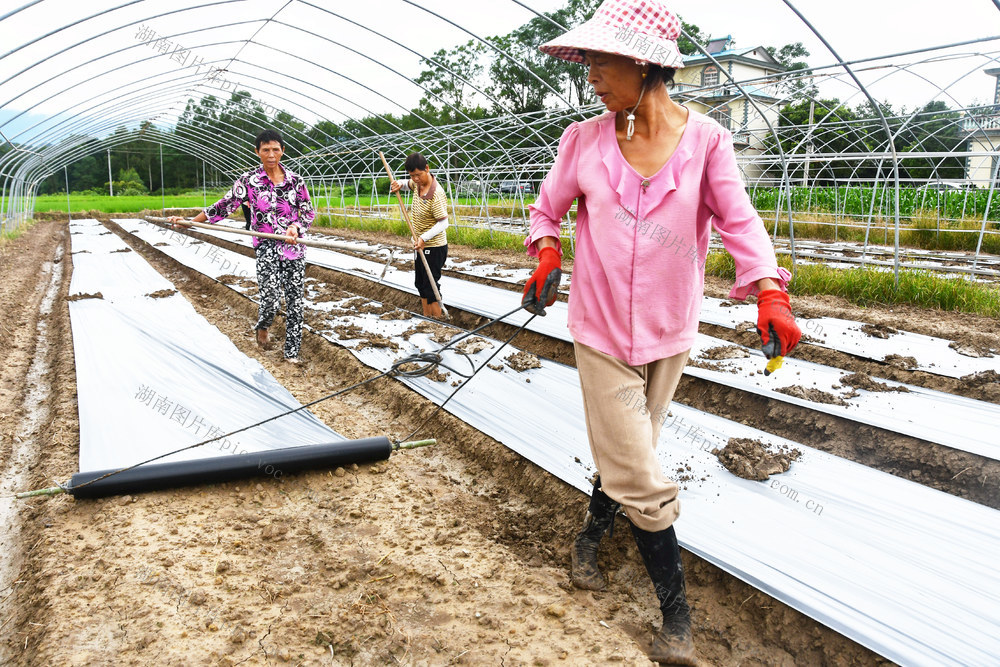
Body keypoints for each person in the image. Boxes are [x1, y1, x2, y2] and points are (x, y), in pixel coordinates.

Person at [521, 1, 801, 664]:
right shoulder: (583, 140)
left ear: (643, 63)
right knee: (643, 469)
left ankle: (590, 537)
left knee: (631, 449)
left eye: (599, 60)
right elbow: (545, 207)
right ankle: (678, 618)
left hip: (670, 331)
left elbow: (739, 219)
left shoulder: (706, 142)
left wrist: (769, 290)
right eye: (585, 60)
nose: (589, 74)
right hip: (599, 330)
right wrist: (547, 250)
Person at [169, 129, 315, 364]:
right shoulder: (249, 181)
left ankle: (291, 353)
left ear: (283, 151)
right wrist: (190, 222)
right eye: (265, 149)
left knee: (295, 301)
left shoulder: (296, 181)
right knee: (271, 298)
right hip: (266, 245)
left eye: (275, 149)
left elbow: (307, 211)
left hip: (294, 248)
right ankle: (264, 325)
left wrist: (295, 227)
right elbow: (223, 206)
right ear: (257, 152)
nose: (271, 154)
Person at [389, 153, 449, 319]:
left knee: (431, 287)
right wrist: (398, 184)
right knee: (420, 284)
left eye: (418, 175)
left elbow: (444, 223)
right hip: (419, 244)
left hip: (434, 246)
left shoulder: (436, 193)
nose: (415, 179)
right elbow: (405, 184)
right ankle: (426, 318)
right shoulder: (417, 184)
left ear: (427, 169)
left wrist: (424, 238)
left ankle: (437, 321)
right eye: (412, 175)